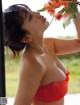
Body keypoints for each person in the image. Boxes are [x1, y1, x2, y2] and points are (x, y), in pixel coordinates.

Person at [3, 4, 80, 105]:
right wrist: (2, 101)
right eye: (29, 17)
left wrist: (73, 9)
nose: (37, 13)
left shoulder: (48, 44)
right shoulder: (33, 64)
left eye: (30, 10)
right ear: (26, 38)